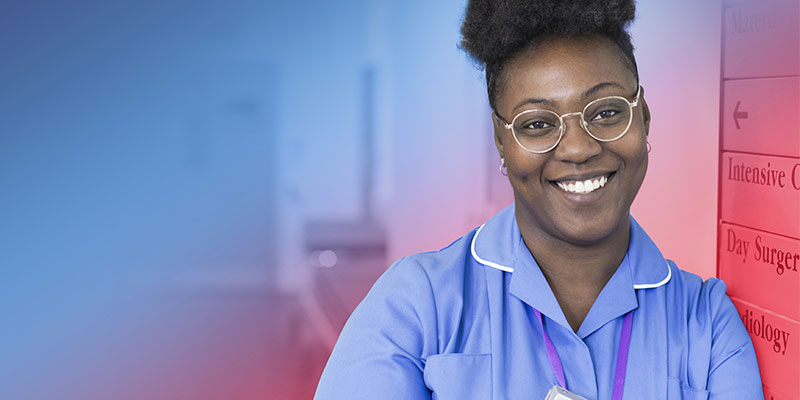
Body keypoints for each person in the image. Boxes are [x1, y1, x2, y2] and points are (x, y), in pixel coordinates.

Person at [314, 0, 763, 398]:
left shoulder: (707, 326)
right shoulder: (418, 306)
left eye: (606, 113)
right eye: (537, 124)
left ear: (642, 117)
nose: (577, 149)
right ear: (501, 141)